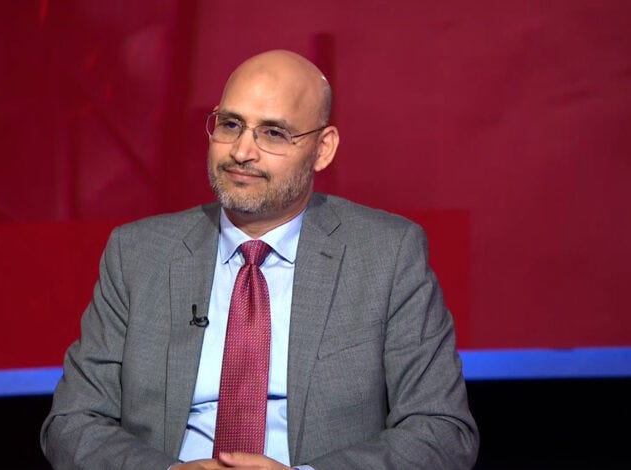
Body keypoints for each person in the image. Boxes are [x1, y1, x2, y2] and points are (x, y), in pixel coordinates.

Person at [41, 49, 479, 469]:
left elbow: (442, 430)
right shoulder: (137, 254)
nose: (241, 152)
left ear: (323, 149)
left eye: (273, 133)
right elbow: (72, 423)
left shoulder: (388, 254)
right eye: (230, 124)